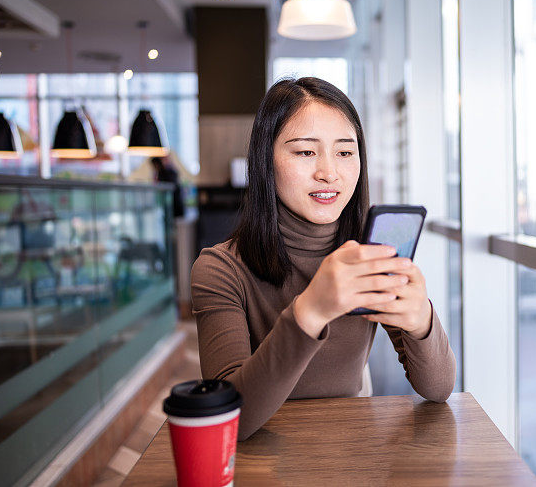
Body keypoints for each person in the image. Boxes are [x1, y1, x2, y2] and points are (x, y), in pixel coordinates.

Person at [190, 77, 456, 441]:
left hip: (351, 453)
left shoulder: (368, 252)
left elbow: (438, 389)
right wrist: (311, 311)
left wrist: (422, 321)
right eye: (305, 152)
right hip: (262, 463)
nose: (329, 172)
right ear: (266, 161)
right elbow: (230, 420)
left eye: (345, 152)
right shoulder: (220, 270)